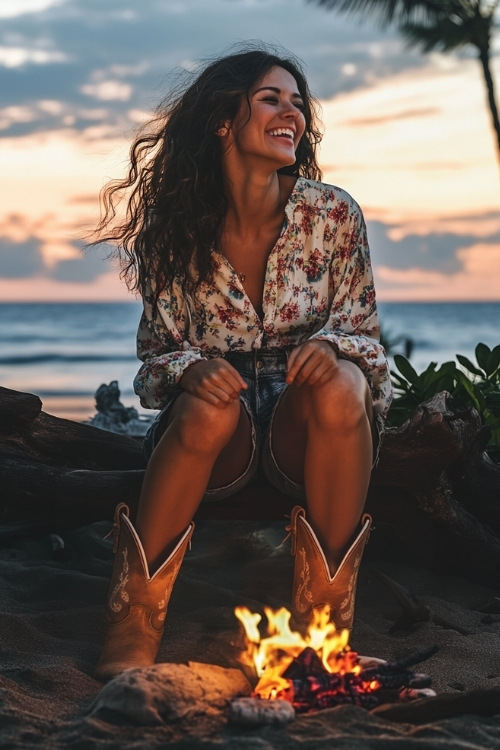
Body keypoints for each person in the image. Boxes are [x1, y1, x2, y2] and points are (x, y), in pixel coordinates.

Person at [93, 45, 393, 682]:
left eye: (297, 103)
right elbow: (152, 363)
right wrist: (189, 370)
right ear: (223, 120)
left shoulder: (333, 214)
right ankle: (134, 626)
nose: (292, 113)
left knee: (342, 385)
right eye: (270, 98)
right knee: (207, 406)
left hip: (301, 431)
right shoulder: (179, 229)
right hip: (217, 440)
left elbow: (367, 341)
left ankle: (324, 635)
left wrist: (333, 346)